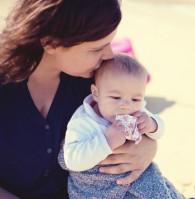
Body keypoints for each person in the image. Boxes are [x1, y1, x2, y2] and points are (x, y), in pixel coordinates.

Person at [0, 0, 159, 198]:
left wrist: (148, 146)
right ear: (51, 42)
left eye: (110, 43)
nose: (110, 55)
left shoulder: (91, 82)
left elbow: (135, 118)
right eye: (96, 49)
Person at [58, 54, 183, 199]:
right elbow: (72, 161)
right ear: (96, 93)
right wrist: (107, 140)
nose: (125, 105)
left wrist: (152, 124)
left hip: (137, 180)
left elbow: (160, 130)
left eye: (136, 99)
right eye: (116, 98)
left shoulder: (137, 112)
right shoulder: (83, 121)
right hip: (97, 190)